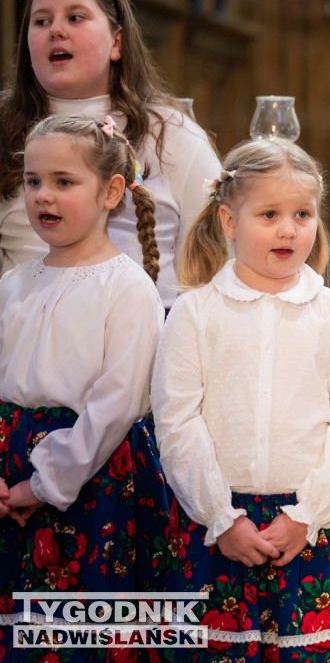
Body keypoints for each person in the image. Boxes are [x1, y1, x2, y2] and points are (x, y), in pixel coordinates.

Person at [151, 139, 330, 662]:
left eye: (302, 214)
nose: (288, 228)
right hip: (218, 528)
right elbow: (177, 422)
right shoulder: (194, 314)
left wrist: (308, 515)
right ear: (230, 222)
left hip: (312, 530)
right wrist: (220, 517)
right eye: (270, 214)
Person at [0, 114, 166, 660]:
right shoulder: (14, 282)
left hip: (91, 480)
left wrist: (43, 483)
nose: (43, 196)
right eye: (33, 181)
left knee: (74, 637)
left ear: (111, 191)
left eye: (64, 182)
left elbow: (115, 406)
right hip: (8, 468)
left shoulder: (127, 288)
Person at [0, 0, 221, 307]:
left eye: (75, 17)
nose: (56, 30)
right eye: (41, 21)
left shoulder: (170, 134)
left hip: (146, 336)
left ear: (116, 42)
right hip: (23, 339)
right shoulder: (4, 129)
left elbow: (221, 251)